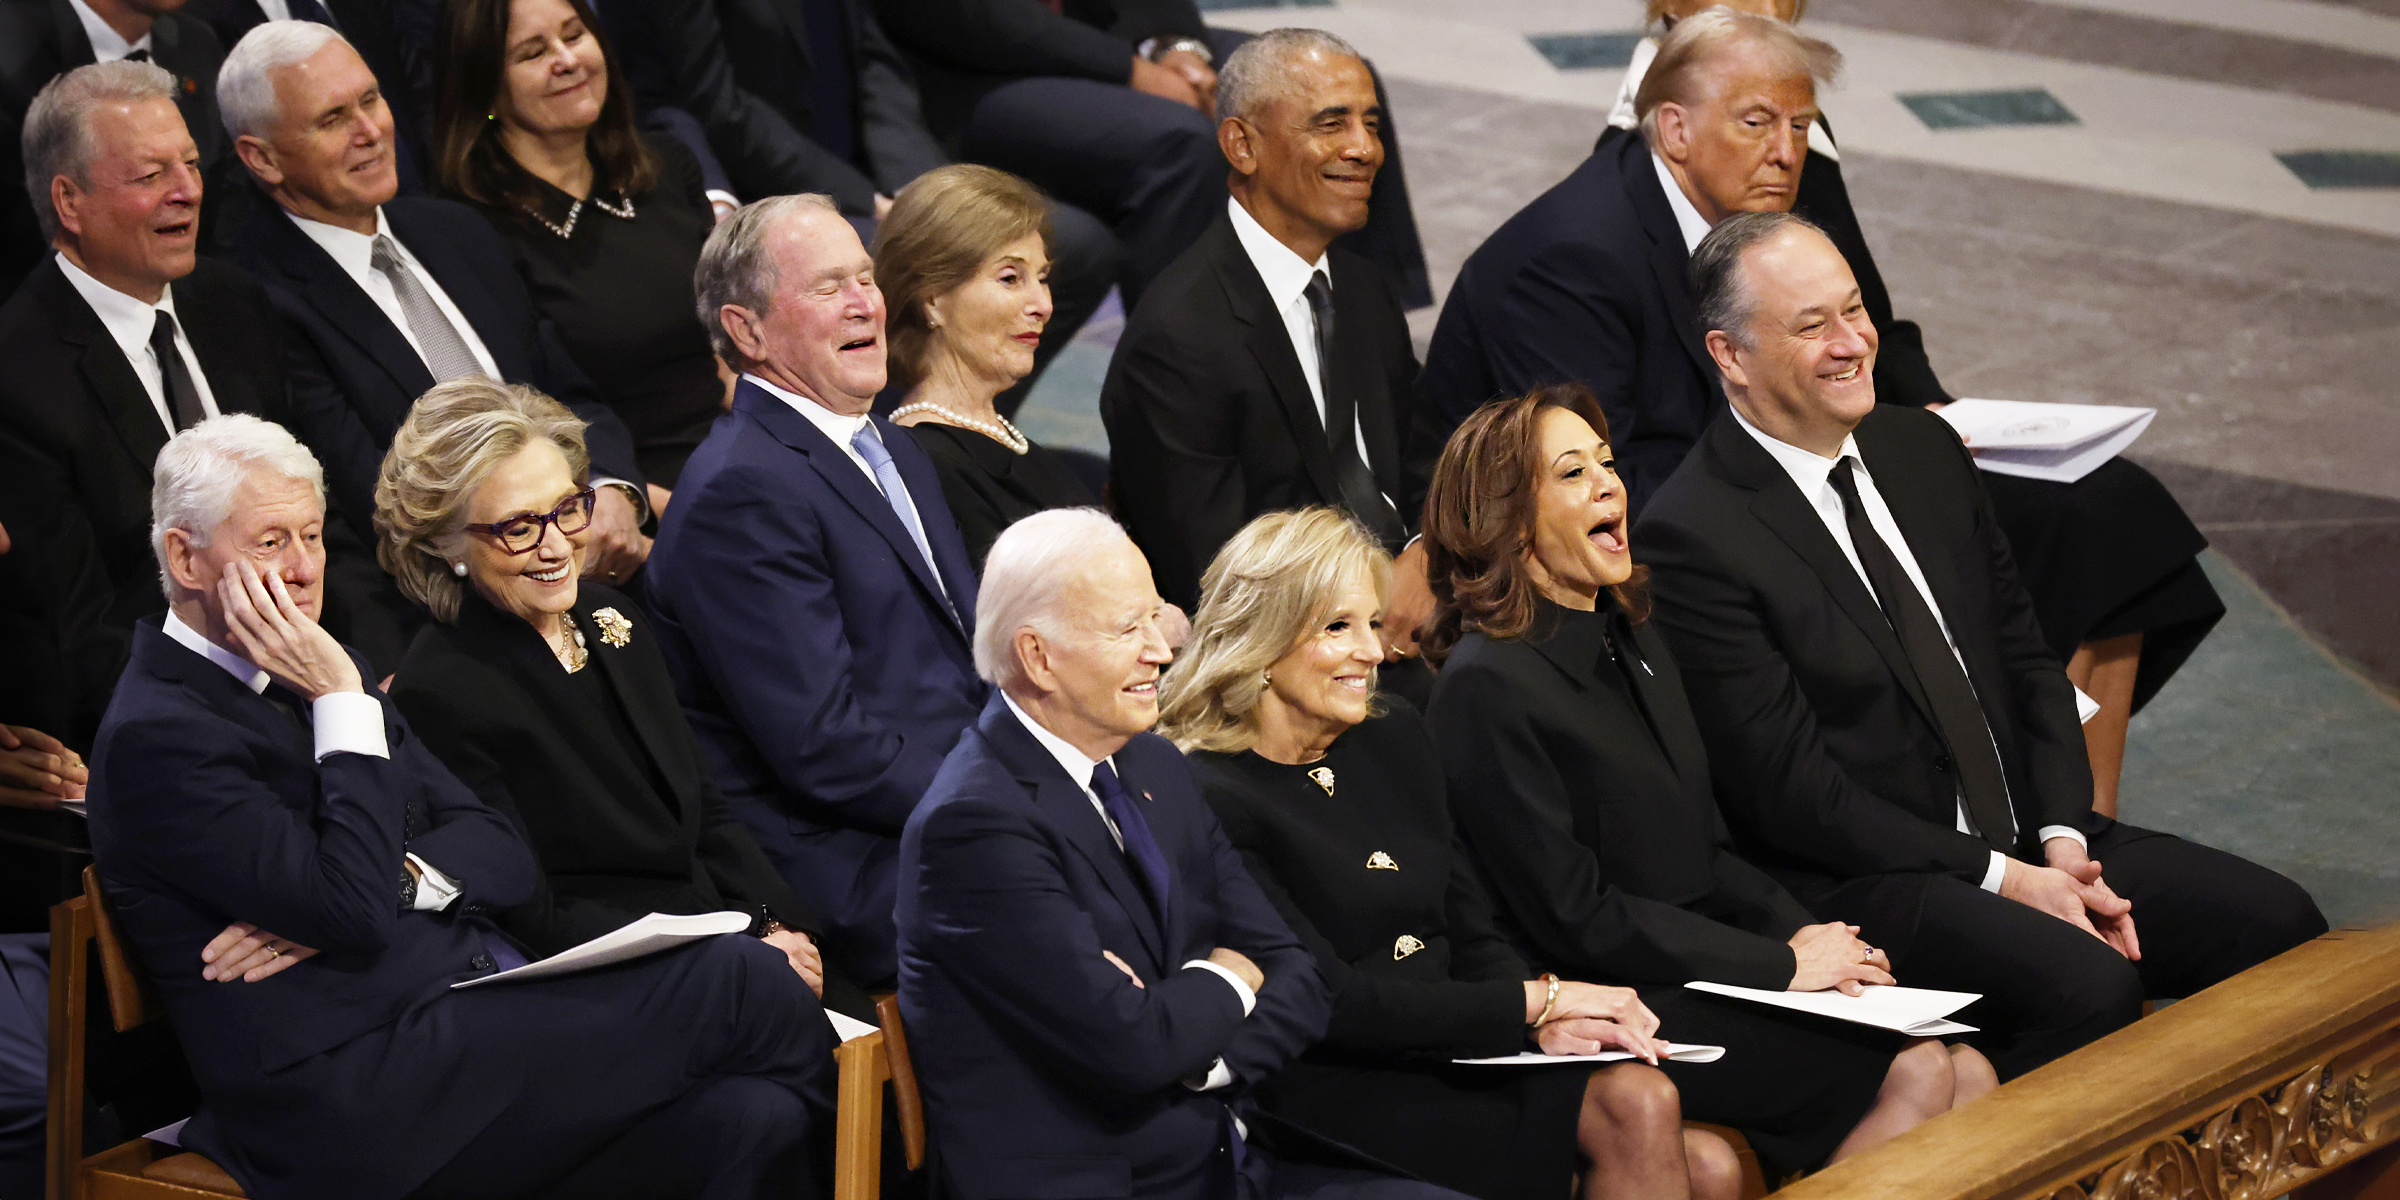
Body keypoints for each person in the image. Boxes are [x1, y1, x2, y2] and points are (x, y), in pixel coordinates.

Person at [1417, 10, 2224, 806]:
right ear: (1673, 128)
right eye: (1759, 122)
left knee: (2109, 515)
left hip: (1778, 457)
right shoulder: (1572, 257)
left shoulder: (1771, 198)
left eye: (1802, 126)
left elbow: (1855, 325)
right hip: (1652, 518)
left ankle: (2077, 823)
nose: (1785, 152)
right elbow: (1598, 478)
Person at [1637, 211, 2327, 1078]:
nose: (1851, 342)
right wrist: (2007, 880)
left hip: (2035, 843)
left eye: (1855, 310)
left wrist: (2065, 845)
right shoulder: (1694, 534)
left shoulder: (1920, 448)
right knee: (2089, 989)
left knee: (2279, 922)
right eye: (1811, 325)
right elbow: (1796, 798)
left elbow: (2030, 665)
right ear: (1729, 356)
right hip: (1875, 880)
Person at [85, 412, 837, 1200]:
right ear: (185, 557)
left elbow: (499, 850)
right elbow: (351, 912)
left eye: (312, 536)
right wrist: (344, 703)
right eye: (272, 543)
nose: (305, 569)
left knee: (753, 1119)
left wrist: (396, 878)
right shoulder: (162, 735)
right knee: (745, 982)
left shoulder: (310, 675)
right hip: (359, 1094)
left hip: (465, 1025)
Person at [1413, 389, 1991, 1179]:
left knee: (1974, 1072)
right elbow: (1576, 917)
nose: (1609, 485)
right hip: (1617, 991)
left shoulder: (1632, 633)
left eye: (1608, 463)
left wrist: (1814, 943)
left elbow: (1706, 846)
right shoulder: (1489, 685)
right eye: (1573, 473)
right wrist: (1783, 968)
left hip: (1697, 964)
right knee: (1921, 1071)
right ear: (1510, 522)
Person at [1165, 507, 1747, 1200]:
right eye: (1338, 628)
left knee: (1709, 1163)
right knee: (1640, 1105)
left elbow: (1469, 922)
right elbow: (1334, 1003)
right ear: (1262, 641)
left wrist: (1538, 1022)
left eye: (1374, 625)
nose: (1375, 653)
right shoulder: (1211, 792)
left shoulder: (1395, 735)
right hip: (1337, 1083)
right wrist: (1532, 1003)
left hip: (1464, 1042)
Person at [896, 506, 1464, 1200]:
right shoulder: (973, 826)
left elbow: (1295, 975)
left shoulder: (1153, 765)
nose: (1160, 651)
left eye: (1154, 618)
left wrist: (1194, 1041)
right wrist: (1229, 978)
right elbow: (1131, 1047)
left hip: (1229, 1160)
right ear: (1037, 656)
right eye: (1125, 629)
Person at [380, 379, 848, 1021]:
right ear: (443, 542)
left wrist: (776, 923)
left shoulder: (609, 614)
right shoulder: (442, 687)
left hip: (733, 937)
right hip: (626, 981)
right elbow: (533, 907)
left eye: (568, 509)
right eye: (518, 527)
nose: (554, 546)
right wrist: (734, 946)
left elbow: (706, 810)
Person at [650, 193, 984, 986]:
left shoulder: (891, 448)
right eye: (830, 286)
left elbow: (967, 657)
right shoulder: (742, 490)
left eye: (865, 278)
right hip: (857, 857)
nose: (867, 301)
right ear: (747, 330)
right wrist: (1004, 800)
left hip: (950, 797)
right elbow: (824, 747)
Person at [216, 20, 650, 590]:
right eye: (332, 119)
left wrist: (614, 490)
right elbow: (363, 497)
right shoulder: (259, 304)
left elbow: (567, 391)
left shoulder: (456, 232)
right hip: (455, 601)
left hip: (595, 555)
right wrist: (543, 535)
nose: (370, 130)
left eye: (370, 99)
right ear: (264, 159)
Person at [590, 0, 1118, 406]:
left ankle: (965, 420)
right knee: (935, 270)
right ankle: (904, 435)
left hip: (869, 175)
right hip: (765, 194)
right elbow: (716, 106)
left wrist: (918, 190)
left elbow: (874, 62)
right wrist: (868, 200)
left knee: (1074, 244)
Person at [0, 61, 288, 752]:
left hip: (310, 671)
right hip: (177, 730)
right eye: (150, 176)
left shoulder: (234, 303)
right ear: (69, 202)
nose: (187, 192)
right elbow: (80, 636)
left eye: (189, 165)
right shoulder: (17, 374)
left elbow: (318, 513)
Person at [1103, 30, 1425, 609]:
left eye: (1371, 124)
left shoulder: (1363, 289)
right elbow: (1217, 577)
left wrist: (1426, 560)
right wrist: (1377, 610)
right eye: (1332, 124)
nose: (1366, 149)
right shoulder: (1176, 342)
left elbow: (1420, 459)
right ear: (1241, 146)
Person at [429, 0, 724, 490]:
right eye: (533, 53)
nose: (567, 60)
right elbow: (530, 419)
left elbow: (729, 355)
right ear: (487, 89)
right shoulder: (469, 230)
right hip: (620, 490)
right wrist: (658, 509)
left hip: (732, 452)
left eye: (574, 34)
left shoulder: (668, 166)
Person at [874, 164, 1096, 567]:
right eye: (1010, 279)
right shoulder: (926, 468)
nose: (1043, 306)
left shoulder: (999, 437)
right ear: (933, 300)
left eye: (1042, 277)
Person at [0, 0, 228, 300]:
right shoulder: (12, 50)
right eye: (150, 173)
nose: (189, 191)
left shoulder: (197, 42)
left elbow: (225, 206)